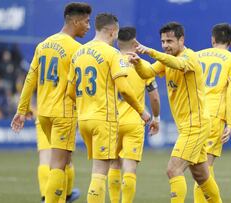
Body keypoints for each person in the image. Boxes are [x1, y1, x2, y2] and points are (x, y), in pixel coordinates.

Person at [127, 22, 222, 203]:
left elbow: (178, 64)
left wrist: (151, 52)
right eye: (162, 41)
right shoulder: (167, 59)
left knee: (173, 169)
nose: (165, 45)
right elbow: (148, 72)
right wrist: (138, 63)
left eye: (169, 41)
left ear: (181, 40)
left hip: (196, 124)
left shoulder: (190, 57)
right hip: (189, 125)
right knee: (201, 175)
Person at [11, 2, 92, 203]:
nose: (88, 27)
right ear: (75, 21)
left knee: (60, 160)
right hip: (63, 113)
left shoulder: (43, 45)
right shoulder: (77, 49)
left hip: (44, 113)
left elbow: (30, 79)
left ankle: (62, 196)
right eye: (86, 22)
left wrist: (22, 110)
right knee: (58, 164)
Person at [67, 13, 150, 203]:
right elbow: (124, 90)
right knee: (99, 173)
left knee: (101, 168)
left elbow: (70, 91)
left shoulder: (79, 52)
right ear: (113, 31)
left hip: (84, 119)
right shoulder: (112, 53)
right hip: (103, 118)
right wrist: (142, 112)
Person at [107, 27, 161, 203]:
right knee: (129, 166)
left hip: (112, 121)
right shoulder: (142, 65)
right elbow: (154, 96)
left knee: (113, 164)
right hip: (134, 122)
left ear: (117, 41)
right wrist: (155, 118)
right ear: (134, 42)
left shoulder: (110, 62)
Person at [193, 23, 231, 203]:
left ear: (212, 39)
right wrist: (230, 123)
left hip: (194, 114)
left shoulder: (197, 56)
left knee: (199, 166)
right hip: (213, 116)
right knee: (204, 167)